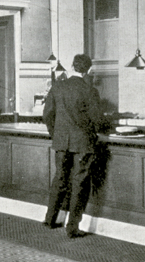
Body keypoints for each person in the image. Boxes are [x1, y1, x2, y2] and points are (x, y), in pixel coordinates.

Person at [43, 53, 103, 238]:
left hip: (61, 142)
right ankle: (72, 227)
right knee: (79, 183)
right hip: (83, 143)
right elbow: (98, 120)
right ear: (89, 70)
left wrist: (56, 134)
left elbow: (47, 115)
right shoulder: (89, 90)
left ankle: (50, 219)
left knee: (60, 178)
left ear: (72, 67)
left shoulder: (57, 87)